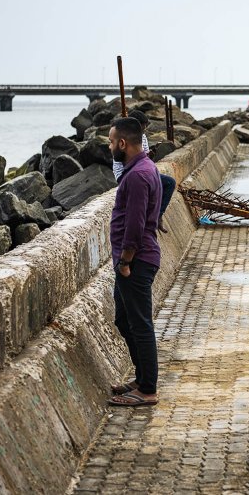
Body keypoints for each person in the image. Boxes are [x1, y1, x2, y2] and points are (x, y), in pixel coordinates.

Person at [106, 117, 162, 407]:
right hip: (131, 260)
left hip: (136, 261)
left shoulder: (139, 175)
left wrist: (126, 260)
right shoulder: (142, 168)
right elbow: (166, 185)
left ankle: (148, 389)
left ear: (123, 144)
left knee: (140, 324)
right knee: (124, 320)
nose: (109, 145)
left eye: (112, 141)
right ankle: (141, 379)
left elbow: (135, 224)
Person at [114, 110, 175, 233]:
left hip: (140, 171)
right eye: (142, 128)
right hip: (125, 174)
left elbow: (143, 159)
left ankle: (158, 215)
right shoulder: (122, 139)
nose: (144, 131)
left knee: (169, 183)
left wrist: (150, 155)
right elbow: (126, 162)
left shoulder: (142, 137)